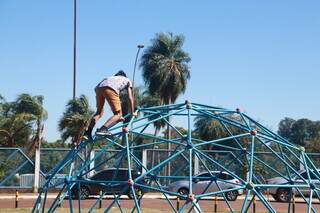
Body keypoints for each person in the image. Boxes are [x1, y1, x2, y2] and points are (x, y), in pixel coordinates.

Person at [84, 70, 136, 140]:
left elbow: (101, 89)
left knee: (99, 112)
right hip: (111, 88)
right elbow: (130, 97)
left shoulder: (110, 78)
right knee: (118, 114)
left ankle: (87, 132)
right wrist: (132, 112)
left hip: (98, 88)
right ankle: (103, 129)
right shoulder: (127, 80)